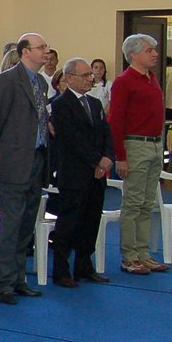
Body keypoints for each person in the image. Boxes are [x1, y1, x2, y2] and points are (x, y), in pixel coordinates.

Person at [0, 33, 52, 304]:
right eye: (41, 47)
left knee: (26, 224)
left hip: (36, 159)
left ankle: (19, 278)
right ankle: (4, 284)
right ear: (25, 52)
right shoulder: (7, 81)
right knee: (11, 225)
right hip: (13, 162)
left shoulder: (41, 82)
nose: (46, 51)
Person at [106, 33, 169, 276]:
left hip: (154, 144)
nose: (155, 54)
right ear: (134, 55)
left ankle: (143, 253)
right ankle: (129, 255)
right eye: (149, 50)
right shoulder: (124, 81)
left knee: (147, 203)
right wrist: (120, 156)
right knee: (132, 203)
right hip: (135, 145)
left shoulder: (152, 78)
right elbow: (116, 120)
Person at [47, 58, 114, 287]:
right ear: (70, 78)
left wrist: (106, 159)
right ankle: (62, 270)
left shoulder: (94, 104)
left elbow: (106, 134)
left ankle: (85, 266)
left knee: (91, 221)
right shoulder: (61, 104)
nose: (90, 79)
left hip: (96, 175)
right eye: (85, 75)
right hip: (74, 174)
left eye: (91, 75)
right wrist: (97, 160)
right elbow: (72, 140)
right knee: (69, 223)